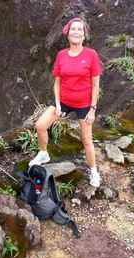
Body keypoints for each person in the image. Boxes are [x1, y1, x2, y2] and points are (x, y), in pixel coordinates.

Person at [29, 17, 103, 187]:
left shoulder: (91, 55)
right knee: (40, 125)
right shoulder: (61, 55)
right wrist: (58, 104)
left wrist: (92, 109)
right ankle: (43, 153)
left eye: (80, 29)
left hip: (84, 103)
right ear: (68, 34)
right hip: (63, 100)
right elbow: (57, 82)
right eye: (73, 29)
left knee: (86, 139)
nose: (76, 32)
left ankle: (93, 171)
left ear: (84, 35)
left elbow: (95, 84)